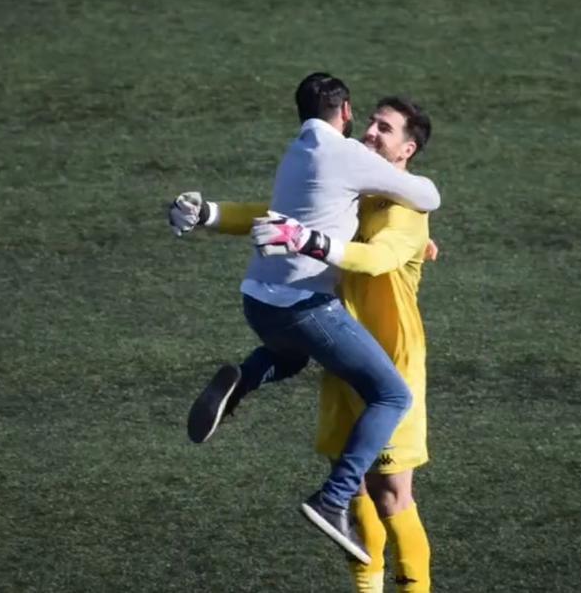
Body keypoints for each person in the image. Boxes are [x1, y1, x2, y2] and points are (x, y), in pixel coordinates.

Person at [169, 74, 440, 565]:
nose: (372, 133)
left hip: (386, 352)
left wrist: (307, 241)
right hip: (339, 348)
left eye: (385, 128)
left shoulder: (400, 208)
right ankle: (329, 499)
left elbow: (378, 257)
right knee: (360, 499)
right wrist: (215, 215)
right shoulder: (356, 184)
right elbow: (277, 214)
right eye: (371, 122)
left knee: (393, 497)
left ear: (407, 149)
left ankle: (249, 381)